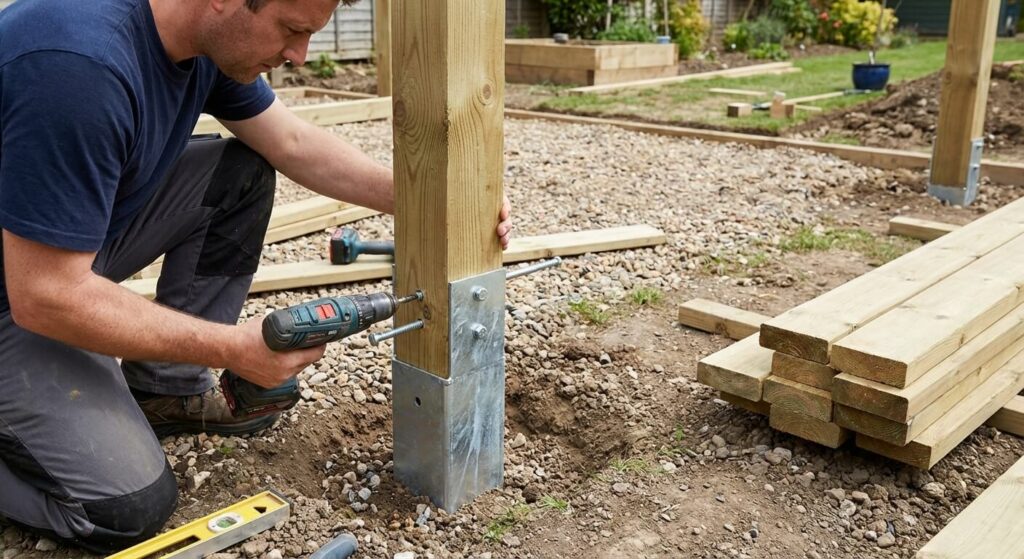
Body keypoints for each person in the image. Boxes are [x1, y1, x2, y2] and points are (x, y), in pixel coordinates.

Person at [0, 0, 513, 553]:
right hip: (26, 290)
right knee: (125, 506)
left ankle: (164, 390)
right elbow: (46, 295)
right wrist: (231, 349)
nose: (299, 54)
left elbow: (290, 143)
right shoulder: (79, 68)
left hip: (47, 255)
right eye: (292, 30)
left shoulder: (198, 41)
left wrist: (429, 200)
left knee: (239, 175)